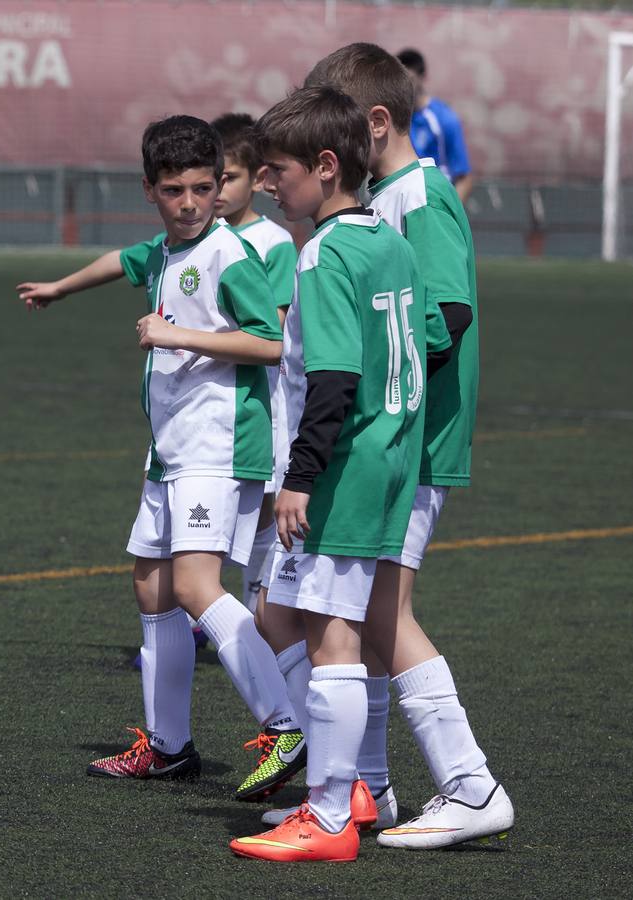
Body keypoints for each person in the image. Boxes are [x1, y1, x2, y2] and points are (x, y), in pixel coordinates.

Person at [16, 117, 305, 803]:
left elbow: (271, 344)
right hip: (169, 448)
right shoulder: (165, 249)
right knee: (151, 586)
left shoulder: (229, 255)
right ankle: (169, 746)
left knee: (197, 587)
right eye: (173, 190)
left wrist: (177, 334)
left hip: (217, 444)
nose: (188, 203)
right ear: (148, 189)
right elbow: (122, 260)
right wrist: (60, 287)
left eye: (202, 189)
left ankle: (285, 722)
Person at [291, 41, 513, 851]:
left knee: (382, 611)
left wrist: (373, 379)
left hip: (410, 437)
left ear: (373, 122)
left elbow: (445, 314)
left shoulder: (417, 196)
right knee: (364, 610)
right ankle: (369, 788)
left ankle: (468, 783)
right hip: (391, 432)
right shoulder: (385, 195)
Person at [229, 85, 425, 862]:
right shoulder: (387, 240)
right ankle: (348, 795)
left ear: (324, 165)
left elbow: (335, 379)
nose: (269, 183)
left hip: (345, 466)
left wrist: (300, 478)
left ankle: (330, 815)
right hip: (389, 458)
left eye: (276, 171)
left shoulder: (326, 251)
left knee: (331, 636)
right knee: (302, 618)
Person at [211, 113, 295, 612]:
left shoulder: (274, 242)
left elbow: (273, 329)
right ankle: (202, 615)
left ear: (258, 177)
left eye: (227, 178)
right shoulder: (199, 237)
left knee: (263, 512)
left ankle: (253, 618)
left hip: (261, 405)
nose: (216, 190)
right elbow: (131, 257)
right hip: (206, 402)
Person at [396, 49, 474, 204]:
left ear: (422, 77)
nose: (404, 86)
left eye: (409, 79)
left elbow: (464, 178)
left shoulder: (444, 119)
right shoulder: (392, 118)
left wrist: (450, 213)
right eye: (399, 79)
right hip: (405, 201)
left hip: (436, 201)